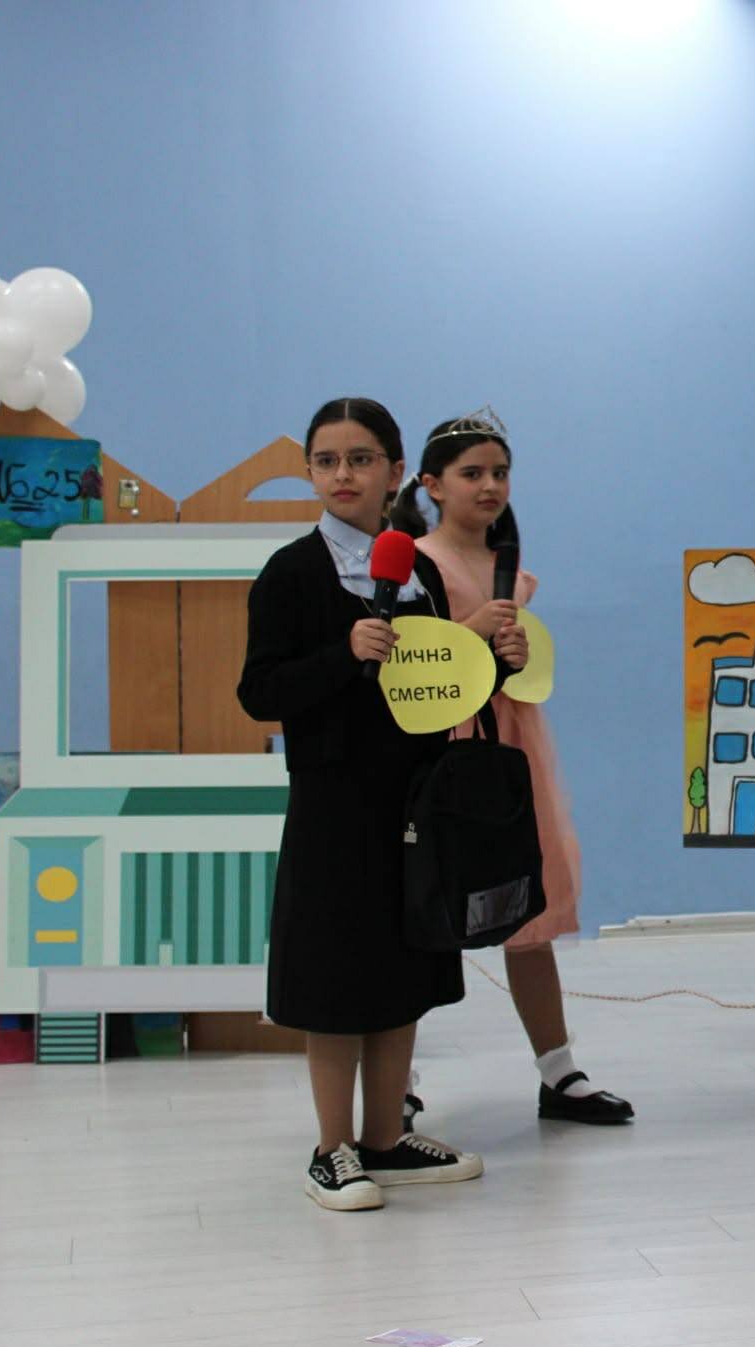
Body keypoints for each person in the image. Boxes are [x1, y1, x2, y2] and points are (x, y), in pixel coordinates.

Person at [239, 397, 525, 1210]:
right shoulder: (291, 572)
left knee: (403, 966)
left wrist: (497, 660)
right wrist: (344, 653)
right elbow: (260, 691)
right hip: (334, 806)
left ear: (396, 472)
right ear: (310, 471)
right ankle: (331, 1148)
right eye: (327, 460)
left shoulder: (418, 571)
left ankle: (385, 1138)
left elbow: (440, 685)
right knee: (335, 976)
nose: (344, 474)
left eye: (361, 459)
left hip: (413, 801)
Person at [393, 410, 633, 1126]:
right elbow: (411, 662)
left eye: (500, 472)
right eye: (471, 473)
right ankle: (395, 1081)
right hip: (440, 749)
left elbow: (518, 667)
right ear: (433, 484)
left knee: (530, 904)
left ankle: (559, 1071)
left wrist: (517, 653)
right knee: (425, 908)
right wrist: (471, 635)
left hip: (510, 742)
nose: (489, 486)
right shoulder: (413, 563)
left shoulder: (511, 570)